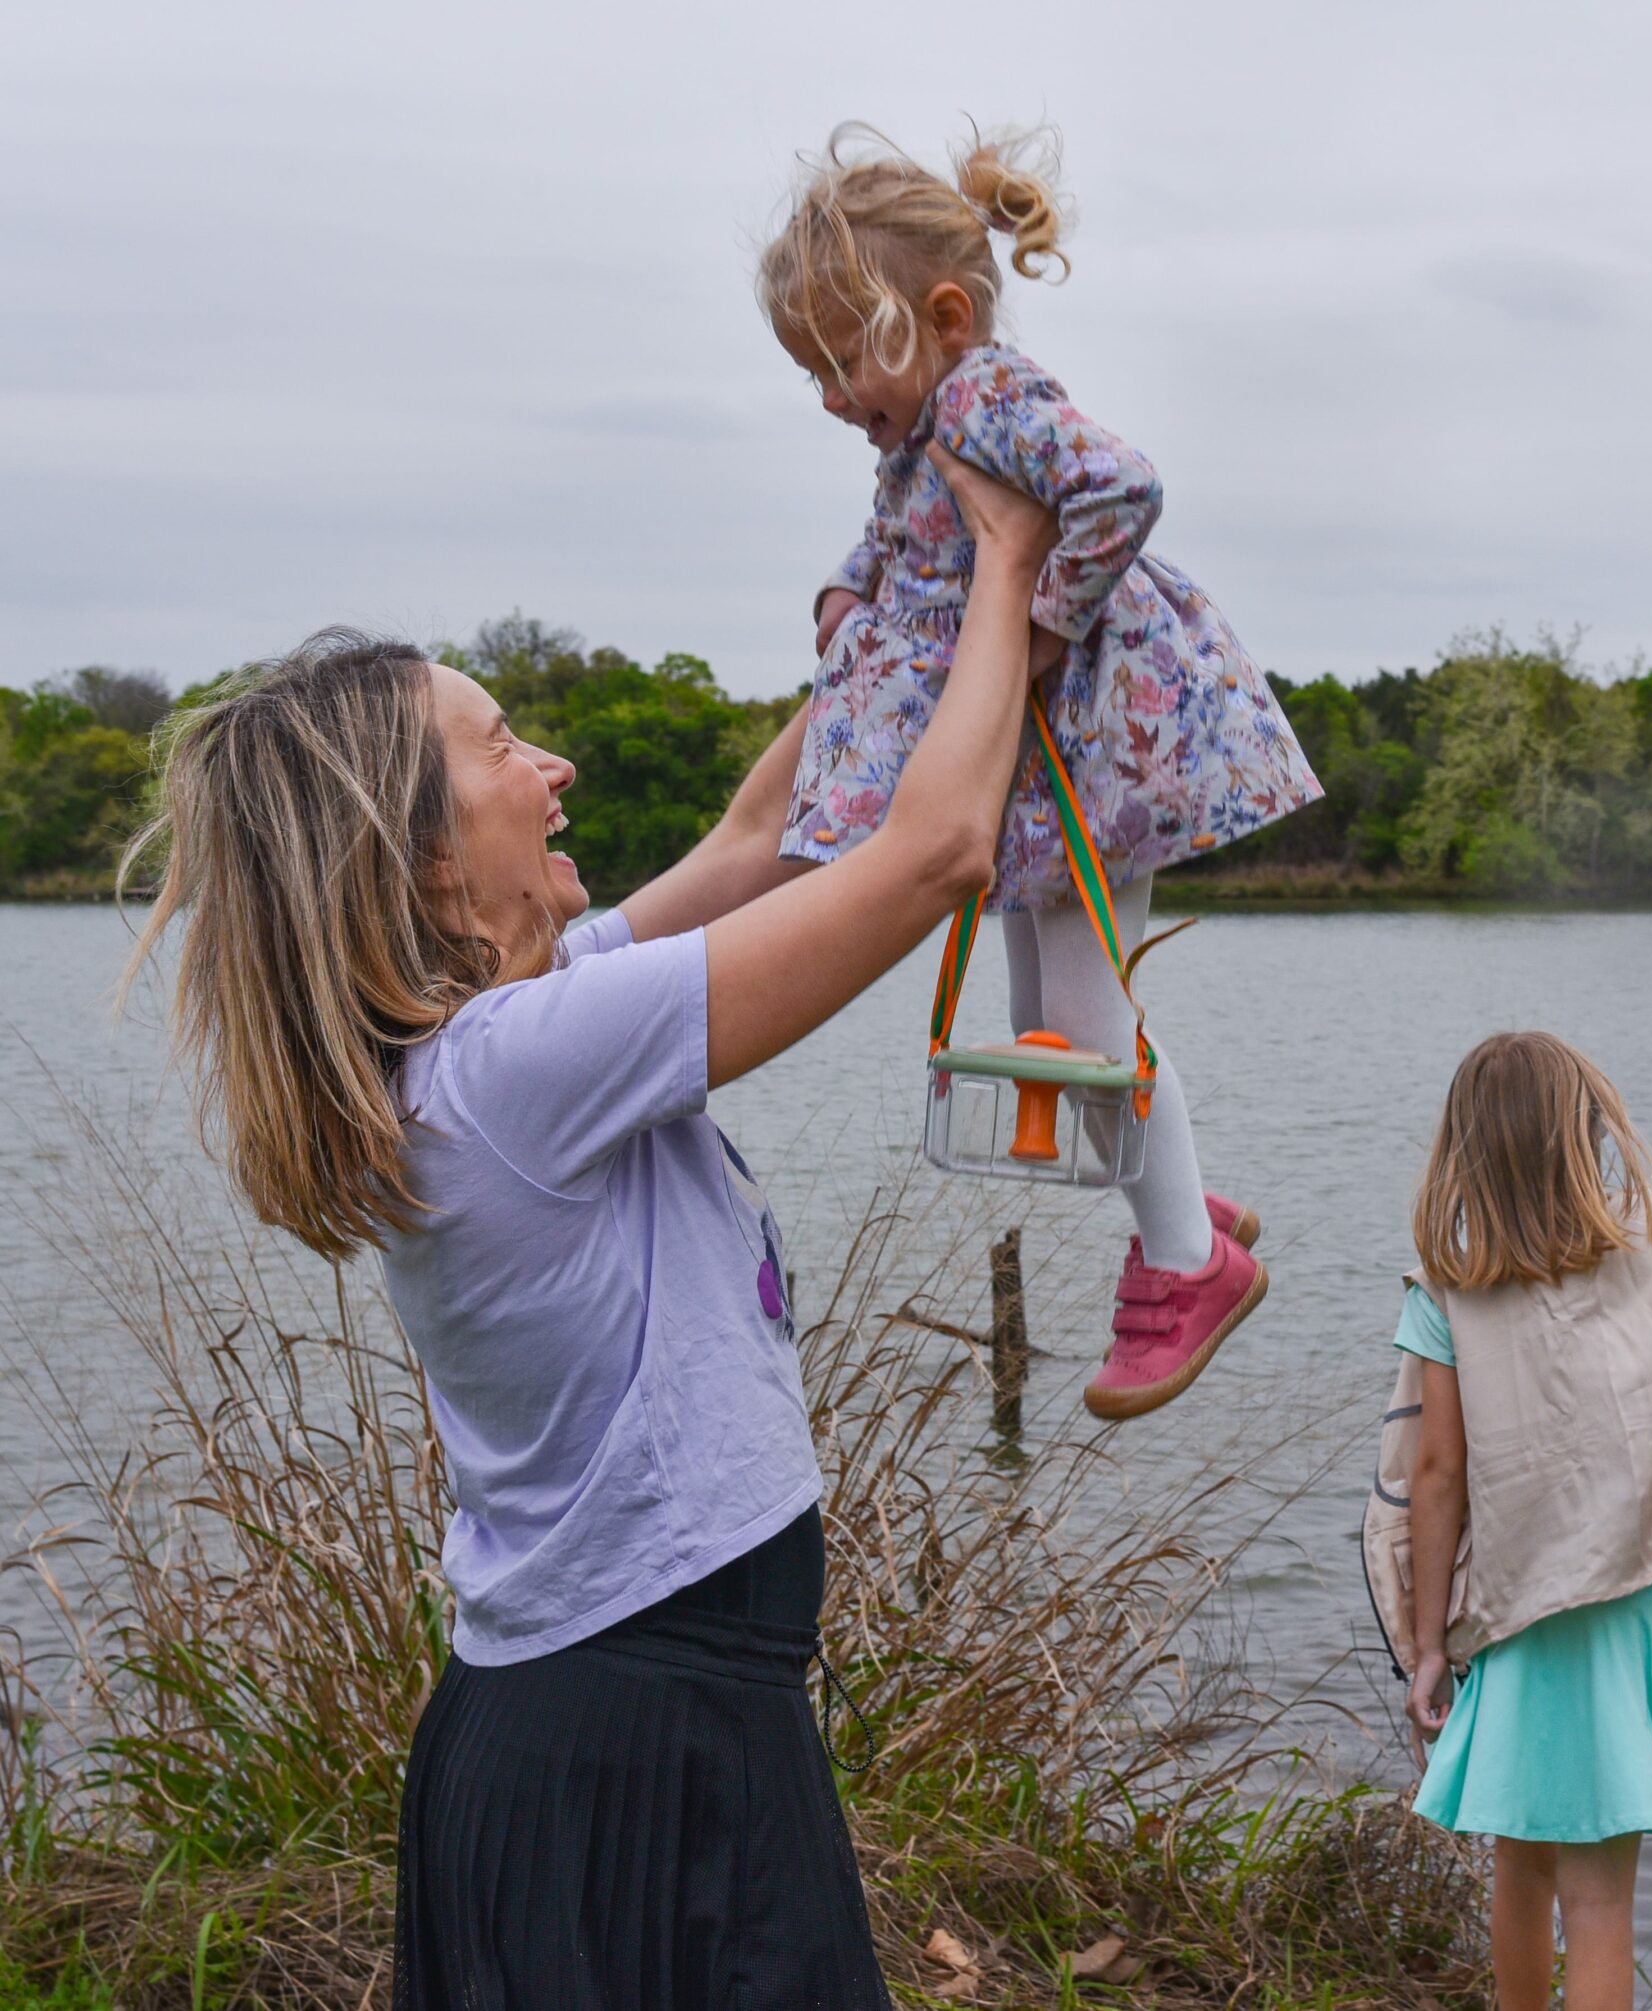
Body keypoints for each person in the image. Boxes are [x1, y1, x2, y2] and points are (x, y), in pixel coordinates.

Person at [120, 450, 1060, 2008]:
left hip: (597, 1722)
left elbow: (772, 838)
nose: (552, 764)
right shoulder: (522, 1066)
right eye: (503, 745)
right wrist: (1013, 568)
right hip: (644, 1740)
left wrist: (900, 609)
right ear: (424, 856)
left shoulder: (507, 1031)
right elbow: (932, 853)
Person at [758, 120, 1322, 1420]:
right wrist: (852, 591)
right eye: (818, 377)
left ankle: (1189, 1257)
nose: (837, 398)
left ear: (942, 317)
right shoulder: (928, 427)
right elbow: (897, 528)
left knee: (1085, 1020)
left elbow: (1124, 489)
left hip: (1079, 751)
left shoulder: (987, 396)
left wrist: (1049, 621)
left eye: (844, 362)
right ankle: (1179, 1195)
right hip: (1036, 769)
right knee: (1059, 1023)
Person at [1386, 1008, 1652, 2011]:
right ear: (1586, 1134)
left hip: (1511, 1618)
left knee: (1518, 1871)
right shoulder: (1650, 1230)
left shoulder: (1447, 1286)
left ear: (1467, 1153)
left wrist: (1429, 1639)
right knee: (1602, 1902)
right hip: (1620, 1617)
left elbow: (1436, 1474)